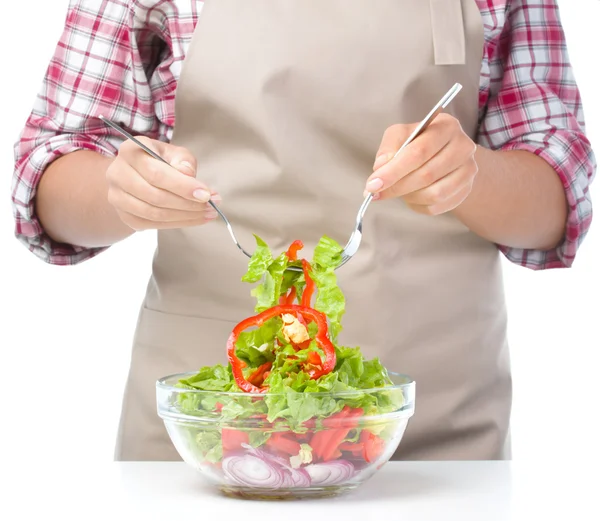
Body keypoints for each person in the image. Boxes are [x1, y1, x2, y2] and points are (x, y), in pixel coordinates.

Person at [11, 0, 596, 462]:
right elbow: (47, 179)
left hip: (437, 435)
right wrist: (124, 191)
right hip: (206, 436)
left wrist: (472, 175)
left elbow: (556, 209)